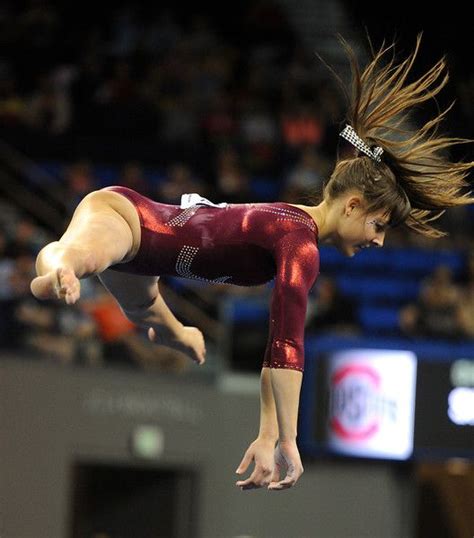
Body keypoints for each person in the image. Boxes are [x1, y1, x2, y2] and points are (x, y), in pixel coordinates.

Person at [30, 35, 474, 491]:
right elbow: (288, 345)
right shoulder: (298, 241)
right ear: (354, 206)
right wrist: (289, 441)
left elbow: (276, 347)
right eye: (379, 226)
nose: (379, 242)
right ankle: (57, 270)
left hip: (142, 263)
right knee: (79, 255)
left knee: (148, 313)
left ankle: (179, 333)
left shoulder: (295, 233)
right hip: (128, 221)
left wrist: (267, 434)